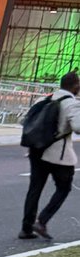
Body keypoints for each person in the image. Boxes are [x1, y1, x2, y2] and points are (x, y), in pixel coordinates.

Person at [19, 71, 80, 241]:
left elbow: (25, 121)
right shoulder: (71, 104)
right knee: (64, 188)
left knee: (35, 188)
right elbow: (77, 126)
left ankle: (26, 228)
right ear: (75, 86)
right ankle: (42, 220)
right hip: (58, 155)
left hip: (37, 150)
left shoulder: (44, 99)